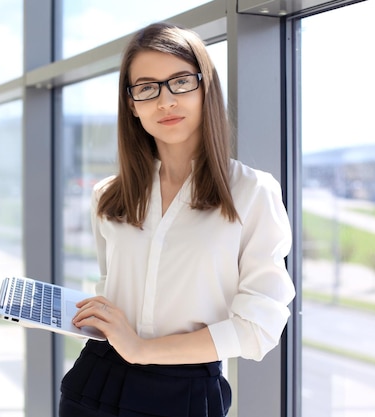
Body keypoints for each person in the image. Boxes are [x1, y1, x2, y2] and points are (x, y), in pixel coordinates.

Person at [57, 22, 295, 417]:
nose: (165, 101)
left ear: (206, 88)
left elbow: (258, 328)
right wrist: (21, 307)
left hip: (183, 392)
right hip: (94, 380)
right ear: (132, 105)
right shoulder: (109, 196)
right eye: (147, 88)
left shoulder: (253, 193)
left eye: (180, 82)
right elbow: (114, 301)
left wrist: (143, 350)